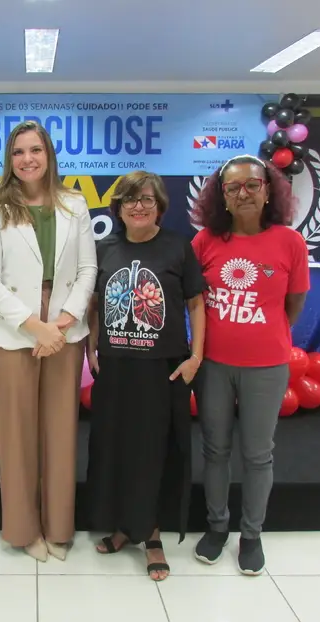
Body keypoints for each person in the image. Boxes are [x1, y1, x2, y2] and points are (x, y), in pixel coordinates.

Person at [0, 120, 97, 562]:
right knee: (16, 436)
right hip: (14, 334)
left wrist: (62, 324)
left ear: (49, 155)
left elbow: (88, 271)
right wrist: (35, 326)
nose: (27, 159)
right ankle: (25, 529)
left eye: (35, 150)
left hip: (66, 329)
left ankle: (59, 527)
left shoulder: (74, 204)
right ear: (9, 161)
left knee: (60, 432)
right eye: (18, 152)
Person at [190, 154, 310, 576]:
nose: (243, 193)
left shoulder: (290, 242)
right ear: (220, 197)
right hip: (214, 367)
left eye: (252, 185)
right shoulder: (204, 242)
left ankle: (251, 534)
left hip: (266, 367)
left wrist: (261, 334)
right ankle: (217, 526)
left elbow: (293, 305)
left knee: (258, 455)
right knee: (215, 450)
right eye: (232, 187)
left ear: (268, 190)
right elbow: (193, 303)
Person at [85, 171, 205, 581]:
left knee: (152, 452)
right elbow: (96, 303)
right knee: (114, 448)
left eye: (147, 199)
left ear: (160, 205)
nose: (138, 206)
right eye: (130, 199)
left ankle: (150, 534)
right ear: (118, 207)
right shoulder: (104, 248)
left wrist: (196, 357)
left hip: (162, 370)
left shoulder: (178, 247)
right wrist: (91, 346)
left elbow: (195, 305)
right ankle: (124, 526)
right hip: (115, 367)